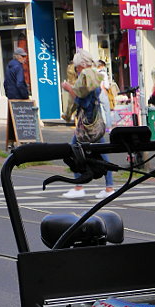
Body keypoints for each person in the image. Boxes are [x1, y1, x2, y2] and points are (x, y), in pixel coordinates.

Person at [61, 50, 114, 200]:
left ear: (81, 66)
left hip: (86, 123)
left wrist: (69, 89)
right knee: (102, 153)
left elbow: (82, 101)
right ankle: (109, 187)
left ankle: (79, 186)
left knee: (73, 151)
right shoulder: (95, 76)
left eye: (77, 67)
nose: (76, 70)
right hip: (95, 122)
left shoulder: (85, 78)